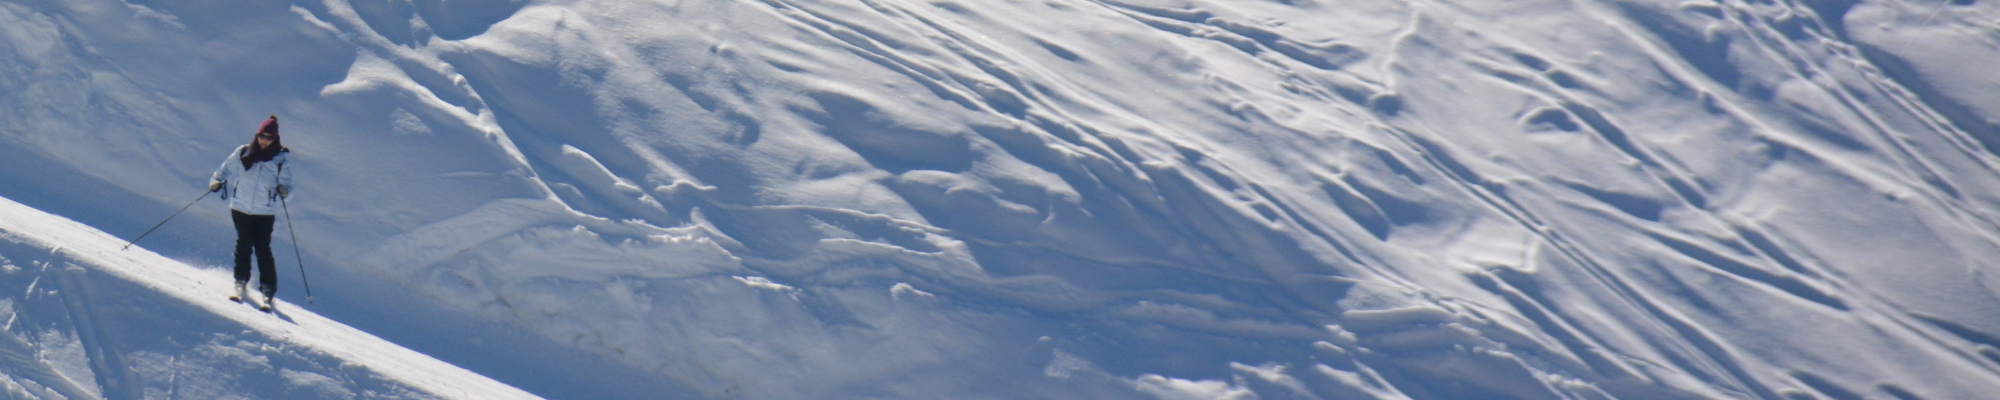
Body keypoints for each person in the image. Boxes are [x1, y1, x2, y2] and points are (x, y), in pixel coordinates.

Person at [209, 115, 293, 305]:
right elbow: (223, 170)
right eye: (262, 136)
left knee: (263, 248)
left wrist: (284, 191)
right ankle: (240, 281)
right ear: (257, 135)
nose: (264, 140)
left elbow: (288, 186)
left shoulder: (279, 160)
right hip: (240, 207)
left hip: (264, 212)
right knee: (243, 244)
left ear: (275, 140)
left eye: (269, 137)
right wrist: (216, 182)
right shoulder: (243, 153)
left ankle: (268, 287)